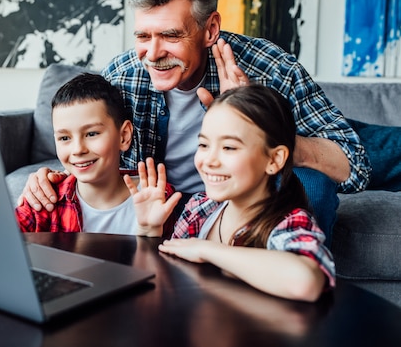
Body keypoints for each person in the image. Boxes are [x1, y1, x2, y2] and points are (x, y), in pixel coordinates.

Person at [20, 0, 371, 242]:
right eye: (143, 36)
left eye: (171, 35)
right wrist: (51, 176)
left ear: (210, 29)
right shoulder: (123, 74)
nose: (153, 54)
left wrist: (258, 126)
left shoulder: (269, 66)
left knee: (323, 179)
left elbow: (354, 166)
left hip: (242, 188)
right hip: (170, 204)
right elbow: (92, 141)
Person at [126, 85, 335, 302]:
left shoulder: (289, 223)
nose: (209, 160)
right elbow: (163, 282)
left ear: (274, 160)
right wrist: (148, 229)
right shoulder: (199, 208)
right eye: (204, 144)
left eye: (229, 148)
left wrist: (208, 251)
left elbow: (306, 282)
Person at [15, 72, 179, 236]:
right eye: (65, 138)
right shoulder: (43, 201)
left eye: (92, 134)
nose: (78, 149)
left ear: (124, 136)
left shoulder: (158, 197)